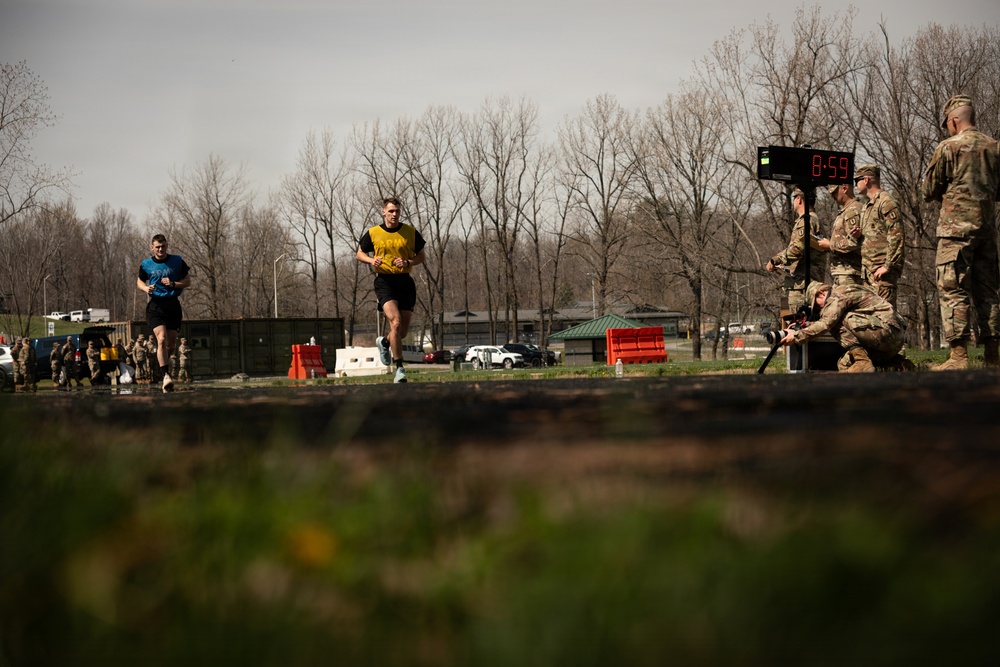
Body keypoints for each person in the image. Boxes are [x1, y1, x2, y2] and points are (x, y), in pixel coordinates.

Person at [922, 95, 1000, 371]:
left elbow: (928, 190)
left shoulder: (949, 148)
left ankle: (958, 357)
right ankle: (993, 357)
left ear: (954, 120)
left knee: (953, 289)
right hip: (987, 231)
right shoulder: (995, 147)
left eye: (948, 124)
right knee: (989, 293)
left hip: (955, 233)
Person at [355, 198, 426, 384]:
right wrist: (371, 261)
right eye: (391, 211)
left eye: (397, 211)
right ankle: (400, 369)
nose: (395, 214)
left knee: (401, 333)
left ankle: (385, 342)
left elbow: (422, 255)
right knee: (395, 323)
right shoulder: (373, 233)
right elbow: (359, 253)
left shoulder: (409, 232)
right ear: (383, 212)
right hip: (384, 282)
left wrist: (409, 262)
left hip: (405, 282)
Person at [780, 281, 912, 373]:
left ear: (820, 292)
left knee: (837, 320)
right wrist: (803, 326)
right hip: (889, 340)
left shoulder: (838, 294)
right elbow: (826, 320)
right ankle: (898, 364)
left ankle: (862, 361)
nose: (819, 309)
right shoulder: (841, 295)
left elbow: (827, 322)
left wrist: (797, 335)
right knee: (844, 364)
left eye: (817, 305)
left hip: (888, 331)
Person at [137, 234, 191, 391]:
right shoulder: (146, 264)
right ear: (152, 247)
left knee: (171, 344)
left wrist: (174, 284)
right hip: (156, 306)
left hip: (172, 305)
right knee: (160, 340)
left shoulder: (177, 261)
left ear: (167, 246)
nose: (160, 249)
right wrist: (146, 288)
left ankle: (165, 363)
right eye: (157, 247)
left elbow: (188, 281)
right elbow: (139, 281)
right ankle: (166, 375)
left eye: (163, 246)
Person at [766, 187, 827, 317]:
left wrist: (775, 260)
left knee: (800, 324)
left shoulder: (807, 220)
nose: (793, 200)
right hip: (806, 281)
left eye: (794, 197)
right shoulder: (812, 219)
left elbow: (798, 248)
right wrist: (785, 268)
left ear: (799, 199)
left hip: (803, 285)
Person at [856, 164, 905, 307]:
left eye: (856, 180)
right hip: (868, 274)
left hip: (881, 275)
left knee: (885, 320)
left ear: (866, 180)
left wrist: (888, 266)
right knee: (873, 323)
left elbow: (897, 235)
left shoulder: (886, 202)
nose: (855, 185)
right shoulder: (867, 206)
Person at [819, 182, 863, 286]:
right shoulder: (846, 210)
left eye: (834, 192)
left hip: (850, 272)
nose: (832, 196)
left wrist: (830, 245)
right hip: (843, 272)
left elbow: (854, 242)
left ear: (844, 188)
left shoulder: (853, 210)